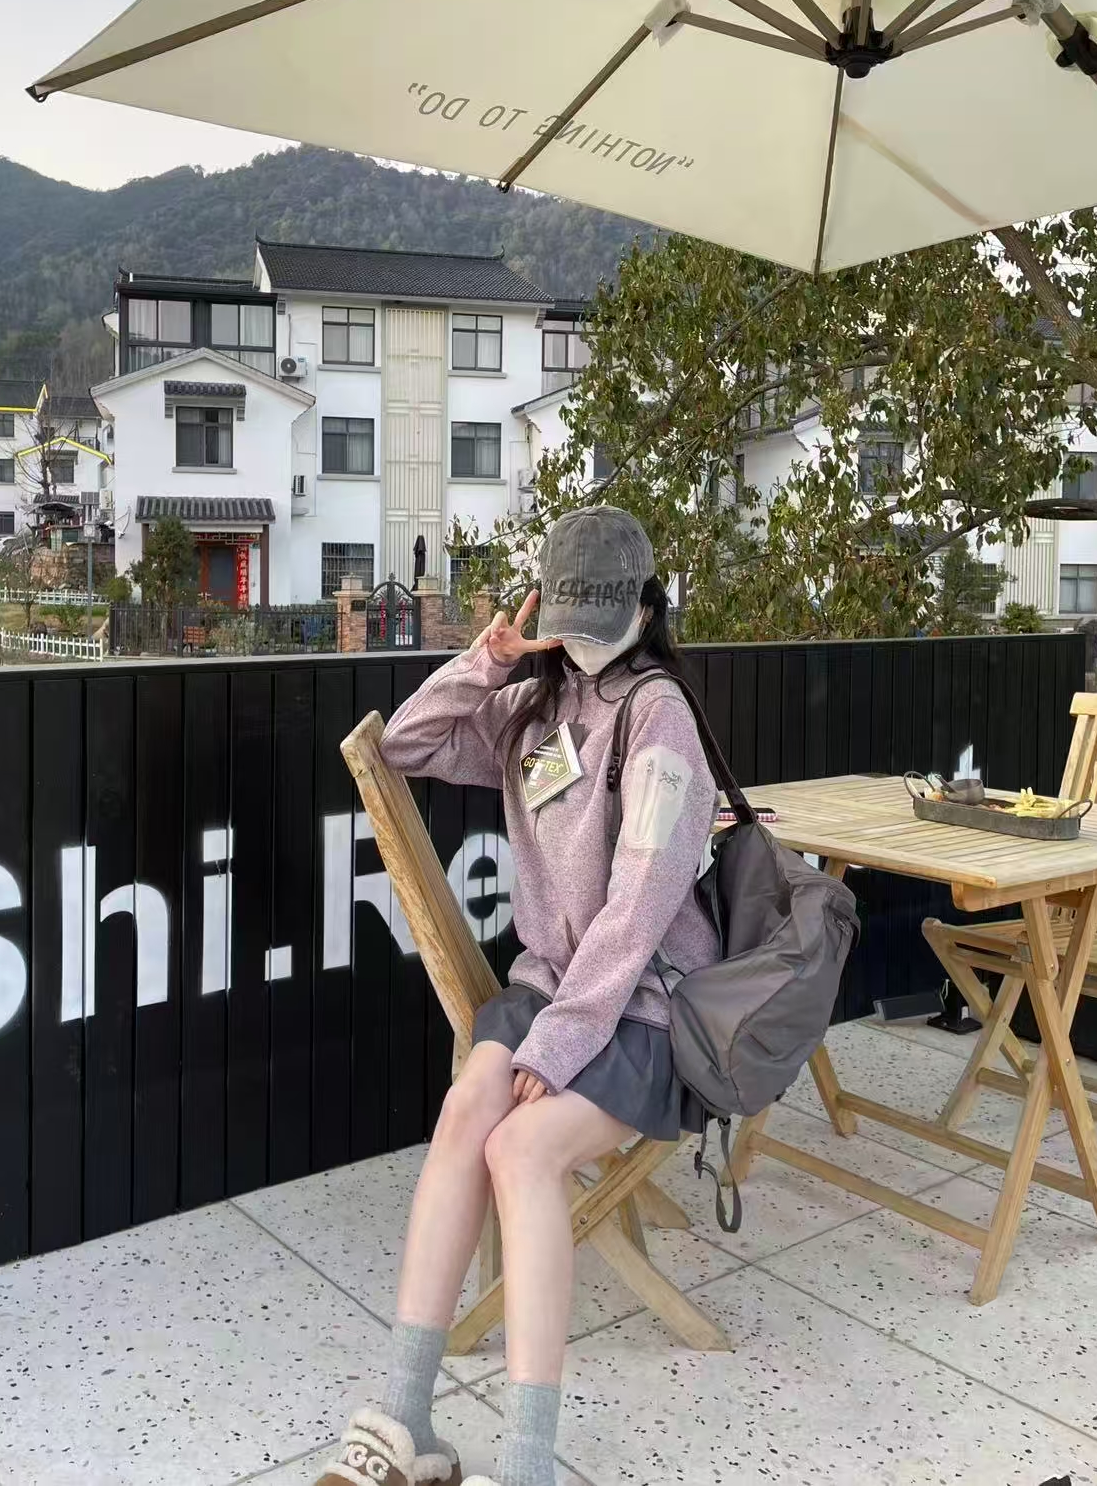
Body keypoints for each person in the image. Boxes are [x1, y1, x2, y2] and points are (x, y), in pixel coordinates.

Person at [319, 508, 720, 1486]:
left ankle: (528, 1464)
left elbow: (638, 910)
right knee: (467, 1114)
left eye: (597, 619)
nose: (580, 639)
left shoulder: (658, 715)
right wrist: (486, 658)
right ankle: (405, 1418)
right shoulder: (531, 709)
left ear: (644, 607)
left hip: (644, 1005)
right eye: (566, 619)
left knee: (521, 1150)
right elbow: (406, 743)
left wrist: (559, 1043)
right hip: (548, 985)